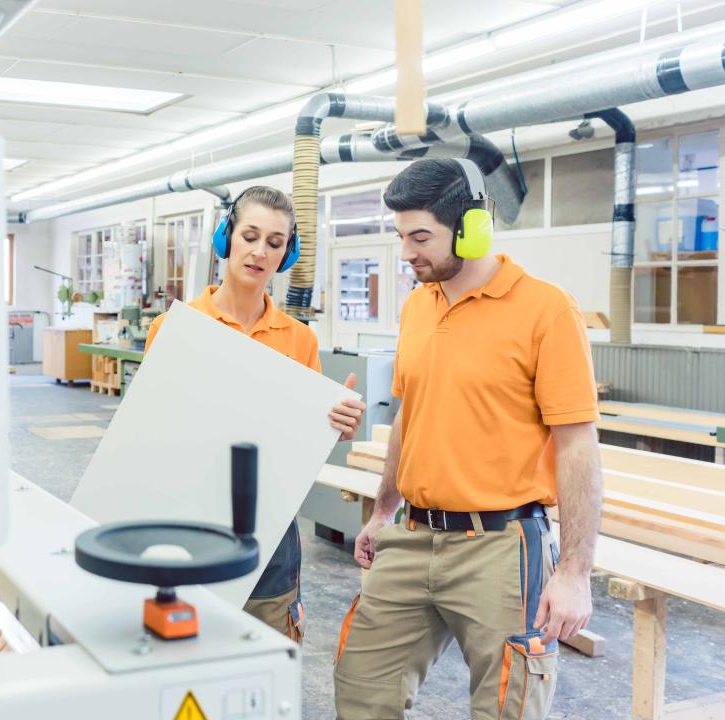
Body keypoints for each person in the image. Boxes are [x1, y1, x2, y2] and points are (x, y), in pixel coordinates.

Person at [332, 159, 603, 719]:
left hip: (501, 547)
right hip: (410, 536)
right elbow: (410, 414)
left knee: (509, 704)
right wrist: (383, 509)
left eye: (421, 236)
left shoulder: (546, 310)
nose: (407, 251)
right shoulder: (417, 308)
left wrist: (575, 573)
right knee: (360, 688)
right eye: (401, 236)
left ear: (472, 227)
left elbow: (577, 445)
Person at [145, 185, 367, 642]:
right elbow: (150, 431)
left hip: (271, 526)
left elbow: (304, 439)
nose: (259, 252)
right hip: (189, 518)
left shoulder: (299, 339)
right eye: (249, 236)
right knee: (189, 656)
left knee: (266, 657)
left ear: (287, 253)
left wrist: (335, 428)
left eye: (274, 242)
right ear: (227, 239)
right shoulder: (177, 328)